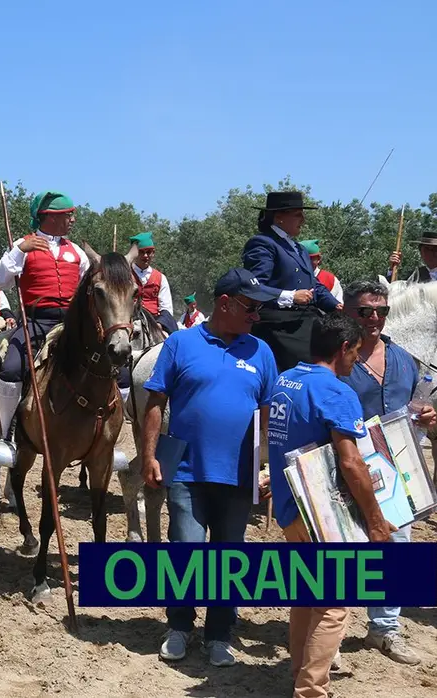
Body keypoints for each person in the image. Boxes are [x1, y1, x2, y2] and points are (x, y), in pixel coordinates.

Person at [141, 268, 280, 667]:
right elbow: (155, 404)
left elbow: (268, 416)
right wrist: (150, 456)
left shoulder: (262, 352)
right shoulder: (181, 344)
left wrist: (264, 465)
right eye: (251, 308)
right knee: (184, 552)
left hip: (239, 476)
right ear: (225, 304)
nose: (256, 316)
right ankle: (180, 626)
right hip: (185, 471)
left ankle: (219, 634)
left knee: (228, 559)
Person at [266, 312, 397, 697]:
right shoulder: (337, 392)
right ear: (342, 349)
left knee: (307, 594)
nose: (357, 360)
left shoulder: (285, 380)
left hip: (291, 508)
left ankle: (297, 673)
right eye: (355, 353)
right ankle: (311, 690)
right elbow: (351, 462)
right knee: (335, 605)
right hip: (321, 513)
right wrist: (375, 522)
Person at [338, 279, 434, 665]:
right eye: (365, 311)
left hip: (398, 470)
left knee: (396, 548)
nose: (374, 318)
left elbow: (417, 413)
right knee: (345, 551)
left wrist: (428, 417)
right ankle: (332, 633)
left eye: (381, 311)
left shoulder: (404, 360)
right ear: (347, 312)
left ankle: (384, 630)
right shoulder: (338, 360)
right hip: (346, 469)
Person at [0, 190, 89, 456]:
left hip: (71, 325)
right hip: (35, 321)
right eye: (68, 215)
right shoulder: (23, 245)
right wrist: (19, 251)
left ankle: (106, 439)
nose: (72, 220)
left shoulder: (77, 252)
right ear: (50, 217)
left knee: (114, 370)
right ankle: (7, 435)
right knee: (10, 370)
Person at [243, 191, 340, 373]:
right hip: (279, 325)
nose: (303, 220)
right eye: (298, 215)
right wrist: (291, 296)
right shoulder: (262, 243)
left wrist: (336, 305)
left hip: (308, 320)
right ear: (279, 217)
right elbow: (253, 287)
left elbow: (315, 285)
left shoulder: (299, 248)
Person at [129, 232, 179, 333]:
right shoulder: (125, 275)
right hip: (130, 322)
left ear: (153, 253)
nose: (145, 256)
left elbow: (166, 308)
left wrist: (159, 325)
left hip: (155, 323)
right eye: (141, 252)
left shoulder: (161, 278)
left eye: (149, 252)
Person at [299, 240, 343, 304]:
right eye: (301, 258)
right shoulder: (290, 276)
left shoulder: (330, 279)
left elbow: (338, 304)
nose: (305, 262)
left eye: (310, 258)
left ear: (318, 259)